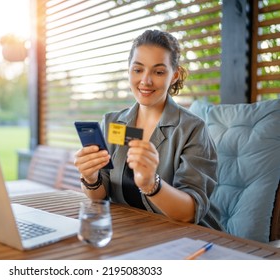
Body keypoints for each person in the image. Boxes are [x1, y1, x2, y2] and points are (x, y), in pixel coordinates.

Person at [74, 29, 223, 230]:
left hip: (186, 237)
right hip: (131, 230)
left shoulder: (192, 129)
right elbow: (101, 194)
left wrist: (151, 184)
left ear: (174, 75)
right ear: (129, 71)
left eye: (159, 72)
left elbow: (190, 213)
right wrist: (91, 178)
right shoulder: (112, 123)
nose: (146, 81)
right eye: (138, 70)